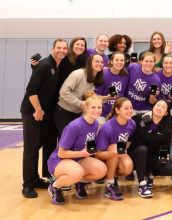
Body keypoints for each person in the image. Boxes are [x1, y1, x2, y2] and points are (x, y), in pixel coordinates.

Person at [20, 39, 68, 198]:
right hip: (32, 111)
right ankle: (27, 185)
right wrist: (38, 109)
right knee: (31, 149)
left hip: (44, 113)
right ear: (53, 48)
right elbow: (31, 89)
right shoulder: (44, 64)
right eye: (59, 48)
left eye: (64, 48)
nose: (61, 50)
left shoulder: (56, 66)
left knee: (38, 146)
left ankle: (35, 179)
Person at [47, 91, 107, 205]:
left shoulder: (94, 123)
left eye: (99, 107)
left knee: (101, 169)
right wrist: (82, 153)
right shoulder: (74, 126)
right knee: (77, 172)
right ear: (86, 108)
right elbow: (61, 153)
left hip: (78, 158)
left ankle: (79, 183)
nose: (97, 110)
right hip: (59, 160)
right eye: (93, 107)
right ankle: (55, 186)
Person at [129, 100, 172, 197]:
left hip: (150, 157)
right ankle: (142, 185)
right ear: (153, 107)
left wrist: (164, 157)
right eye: (158, 105)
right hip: (135, 154)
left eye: (163, 107)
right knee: (142, 149)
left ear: (166, 113)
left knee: (169, 167)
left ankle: (150, 176)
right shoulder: (139, 118)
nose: (159, 108)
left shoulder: (166, 128)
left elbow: (165, 148)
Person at [54, 54, 108, 137]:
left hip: (78, 113)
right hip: (64, 111)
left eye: (101, 62)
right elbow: (64, 92)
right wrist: (80, 103)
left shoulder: (96, 77)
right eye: (97, 61)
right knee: (67, 138)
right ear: (90, 63)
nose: (100, 64)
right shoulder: (78, 74)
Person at [95, 97, 135, 200]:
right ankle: (110, 185)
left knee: (128, 168)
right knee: (115, 147)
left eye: (131, 108)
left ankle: (112, 175)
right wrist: (114, 153)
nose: (130, 111)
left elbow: (129, 142)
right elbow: (98, 154)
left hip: (115, 155)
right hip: (102, 159)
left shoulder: (132, 123)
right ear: (117, 110)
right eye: (126, 108)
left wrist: (122, 153)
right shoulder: (107, 127)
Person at [95, 52, 129, 125]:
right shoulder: (103, 74)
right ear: (111, 61)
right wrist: (108, 97)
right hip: (102, 114)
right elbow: (95, 97)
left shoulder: (126, 74)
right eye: (116, 60)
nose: (119, 62)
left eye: (122, 60)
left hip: (117, 114)